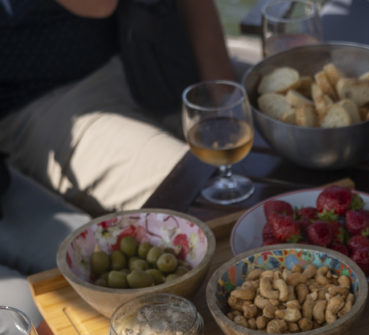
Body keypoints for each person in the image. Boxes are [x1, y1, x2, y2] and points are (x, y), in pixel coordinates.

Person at [0, 0, 237, 221]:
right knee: (208, 200)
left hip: (148, 52)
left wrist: (222, 88)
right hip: (42, 100)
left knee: (261, 163)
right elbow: (99, 4)